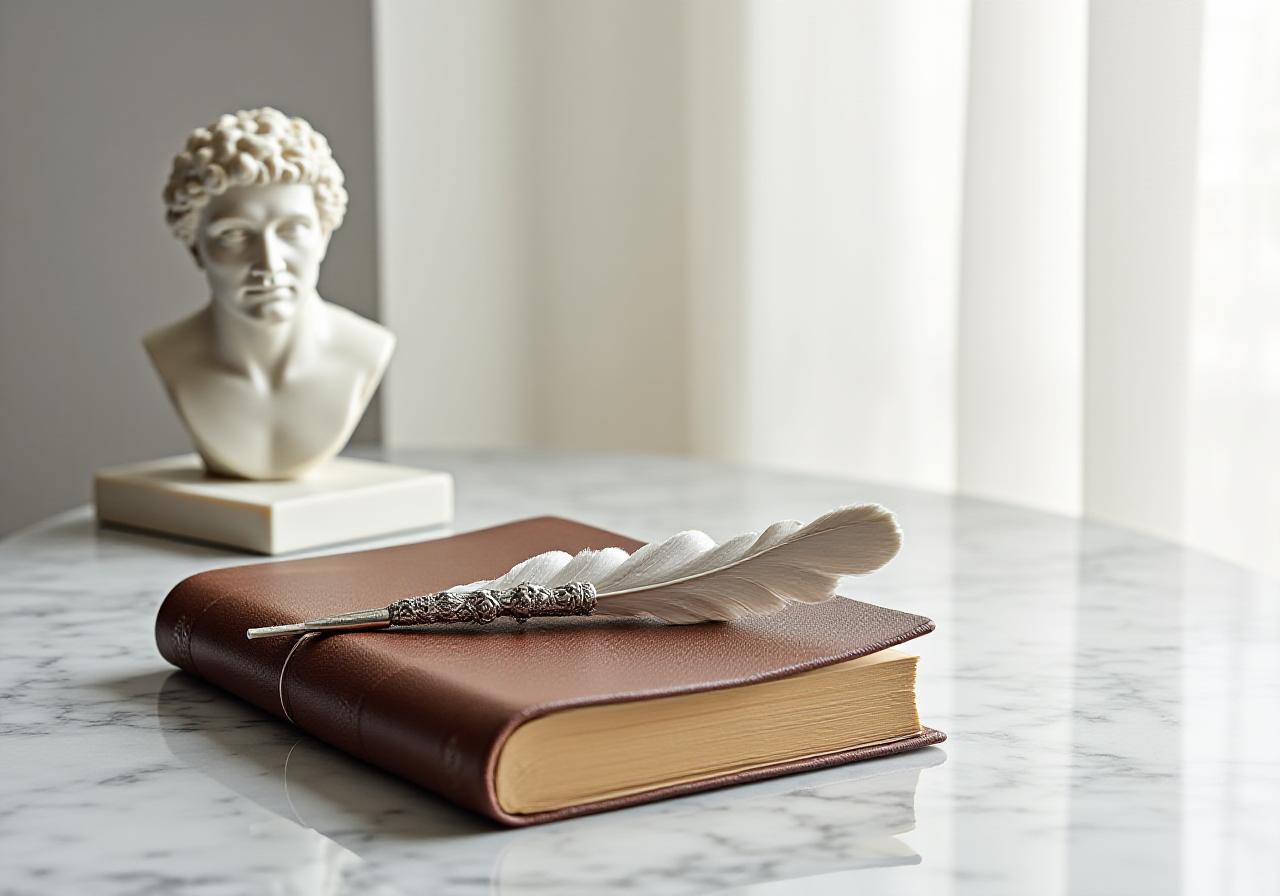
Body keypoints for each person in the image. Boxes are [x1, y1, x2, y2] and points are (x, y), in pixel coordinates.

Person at [146, 107, 393, 480]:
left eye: (292, 231)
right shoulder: (171, 353)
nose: (269, 263)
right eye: (234, 235)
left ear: (323, 236)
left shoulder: (367, 350)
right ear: (195, 247)